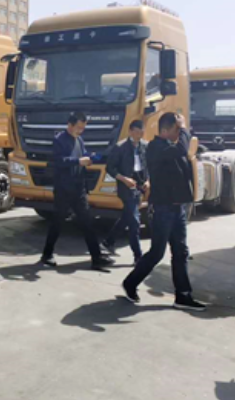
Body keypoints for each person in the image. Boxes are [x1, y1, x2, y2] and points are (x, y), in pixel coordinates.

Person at [122, 112, 206, 311]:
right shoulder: (156, 147)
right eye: (177, 130)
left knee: (181, 252)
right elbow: (181, 149)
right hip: (162, 209)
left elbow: (183, 159)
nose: (180, 133)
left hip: (177, 208)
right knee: (157, 252)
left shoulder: (172, 148)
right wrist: (184, 127)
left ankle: (183, 295)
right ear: (165, 130)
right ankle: (130, 282)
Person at [40, 111, 115, 271]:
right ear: (70, 124)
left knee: (88, 223)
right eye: (79, 127)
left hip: (79, 188)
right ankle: (47, 254)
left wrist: (92, 157)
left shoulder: (79, 139)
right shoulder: (59, 139)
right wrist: (78, 161)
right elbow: (59, 161)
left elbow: (83, 154)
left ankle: (96, 258)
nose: (81, 131)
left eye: (83, 128)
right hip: (64, 189)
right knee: (57, 222)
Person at [102, 120, 148, 263]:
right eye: (136, 132)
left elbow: (149, 165)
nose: (139, 135)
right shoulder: (120, 147)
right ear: (130, 131)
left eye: (141, 132)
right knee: (134, 221)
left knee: (127, 216)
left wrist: (148, 181)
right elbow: (110, 168)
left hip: (139, 184)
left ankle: (108, 241)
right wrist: (123, 179)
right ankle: (138, 256)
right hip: (126, 186)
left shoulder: (145, 146)